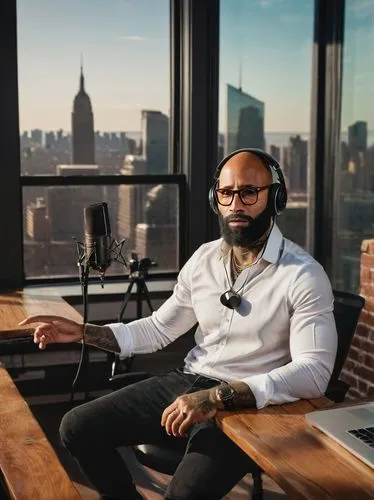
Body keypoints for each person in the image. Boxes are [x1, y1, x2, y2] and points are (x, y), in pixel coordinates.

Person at [20, 148, 338, 500]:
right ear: (215, 199)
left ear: (276, 199)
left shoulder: (304, 275)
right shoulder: (203, 259)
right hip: (188, 380)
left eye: (249, 192)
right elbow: (159, 329)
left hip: (247, 405)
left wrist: (217, 397)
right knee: (76, 427)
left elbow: (314, 374)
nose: (236, 204)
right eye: (226, 192)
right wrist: (84, 333)